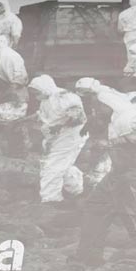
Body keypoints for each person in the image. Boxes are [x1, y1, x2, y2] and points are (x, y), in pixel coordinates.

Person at [75, 82, 136, 264]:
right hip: (119, 174)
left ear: (108, 105)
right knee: (95, 206)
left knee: (135, 216)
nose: (96, 110)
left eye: (98, 106)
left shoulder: (130, 118)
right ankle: (89, 255)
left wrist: (109, 144)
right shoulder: (115, 118)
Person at [28, 75, 87, 203]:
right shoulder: (46, 100)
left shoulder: (65, 97)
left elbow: (78, 117)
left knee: (52, 166)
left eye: (37, 92)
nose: (36, 95)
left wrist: (58, 125)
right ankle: (75, 189)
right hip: (56, 138)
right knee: (63, 164)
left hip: (69, 137)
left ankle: (51, 198)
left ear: (45, 87)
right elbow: (45, 116)